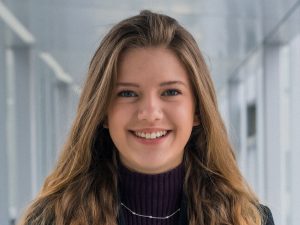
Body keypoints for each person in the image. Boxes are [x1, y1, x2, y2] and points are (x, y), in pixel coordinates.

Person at [19, 10, 275, 225]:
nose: (150, 113)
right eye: (127, 93)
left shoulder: (249, 219)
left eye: (170, 92)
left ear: (197, 110)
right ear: (102, 112)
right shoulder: (50, 219)